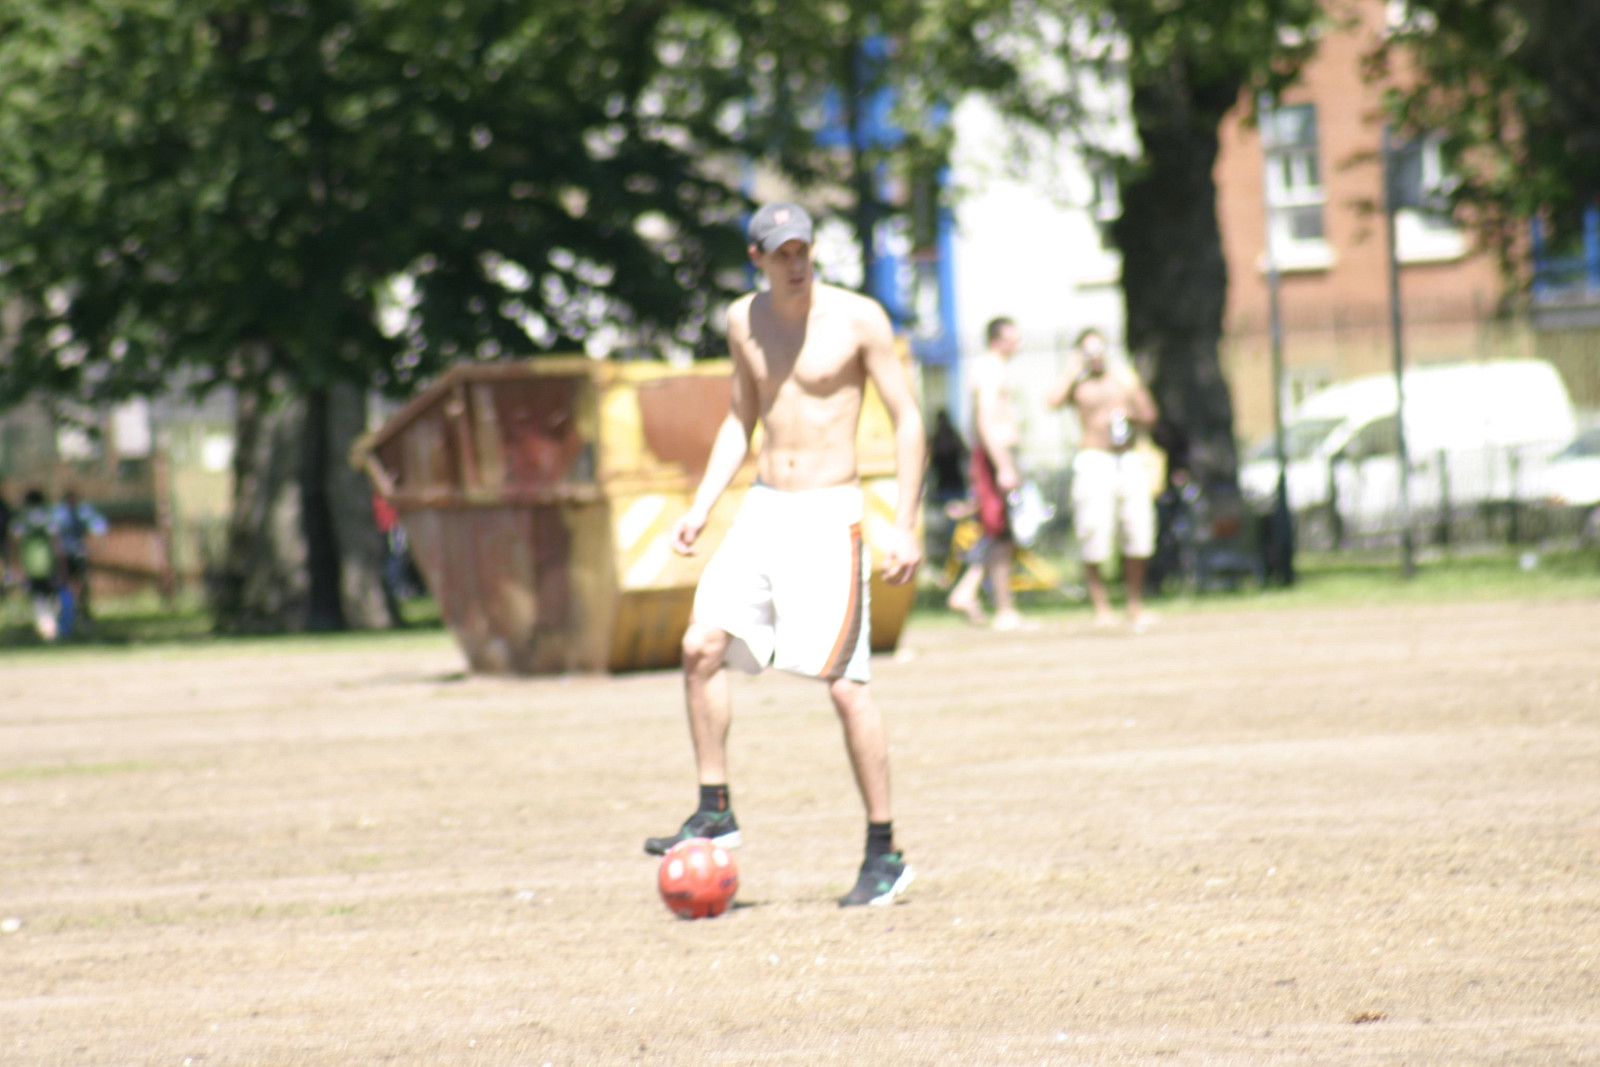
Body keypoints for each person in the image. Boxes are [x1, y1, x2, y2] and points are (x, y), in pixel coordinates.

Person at [644, 201, 925, 908]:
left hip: (830, 515)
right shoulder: (743, 320)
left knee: (846, 688)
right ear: (758, 259)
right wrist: (702, 505)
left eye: (803, 249)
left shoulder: (858, 318)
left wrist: (905, 523)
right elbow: (742, 416)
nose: (795, 264)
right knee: (700, 645)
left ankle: (884, 852)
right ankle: (715, 807)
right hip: (765, 507)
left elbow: (907, 418)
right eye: (782, 253)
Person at [1047, 328, 1159, 630]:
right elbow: (1052, 402)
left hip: (1127, 459)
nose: (1096, 356)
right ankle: (1101, 607)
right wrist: (1071, 372)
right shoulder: (1077, 384)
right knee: (1093, 531)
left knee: (1138, 531)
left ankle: (1134, 605)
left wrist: (1131, 416)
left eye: (1100, 350)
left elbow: (1150, 413)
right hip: (1093, 459)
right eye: (1089, 351)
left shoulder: (1123, 378)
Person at [945, 316, 1030, 631]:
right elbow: (985, 420)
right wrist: (1004, 466)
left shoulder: (994, 368)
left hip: (995, 457)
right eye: (1012, 338)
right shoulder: (990, 368)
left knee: (999, 532)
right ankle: (1005, 610)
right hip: (994, 457)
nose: (1018, 344)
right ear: (996, 340)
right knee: (1001, 533)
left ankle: (966, 592)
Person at [54, 488, 108, 633]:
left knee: (81, 584)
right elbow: (54, 533)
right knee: (65, 585)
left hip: (79, 554)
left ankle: (82, 613)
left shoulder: (83, 512)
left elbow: (99, 526)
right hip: (64, 555)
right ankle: (67, 616)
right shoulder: (60, 514)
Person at [15, 488, 62, 641]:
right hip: (48, 565)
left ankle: (46, 628)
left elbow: (15, 541)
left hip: (31, 566)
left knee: (38, 599)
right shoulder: (48, 518)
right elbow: (56, 542)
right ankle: (51, 629)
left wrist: (17, 566)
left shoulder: (22, 520)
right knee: (52, 598)